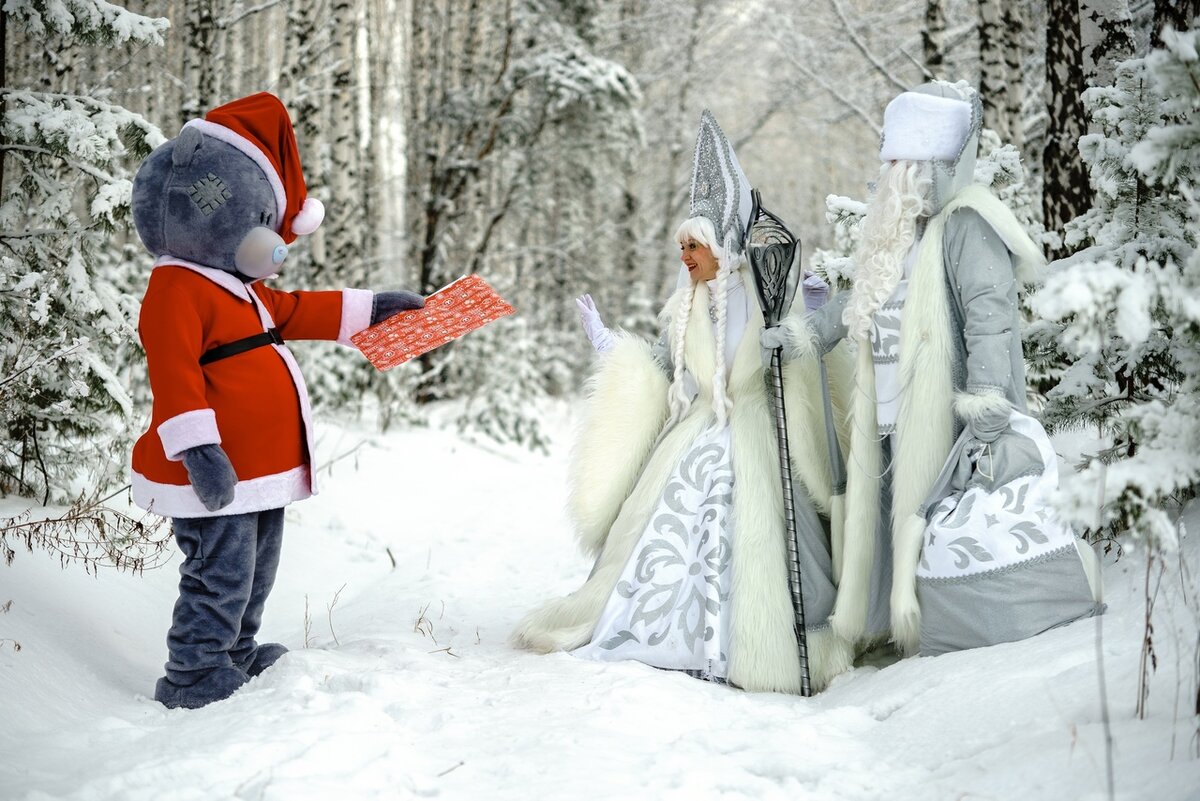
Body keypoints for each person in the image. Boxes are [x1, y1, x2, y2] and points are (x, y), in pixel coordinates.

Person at [511, 111, 857, 694]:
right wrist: (610, 344)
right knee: (656, 523)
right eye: (681, 245)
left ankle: (758, 643)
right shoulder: (688, 305)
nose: (685, 256)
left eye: (693, 245)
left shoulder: (767, 297)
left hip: (756, 435)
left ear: (721, 246)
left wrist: (815, 319)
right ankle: (653, 628)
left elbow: (797, 359)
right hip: (698, 430)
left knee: (763, 536)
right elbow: (669, 365)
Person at [766, 82, 1102, 657]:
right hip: (890, 408)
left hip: (946, 411)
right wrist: (805, 335)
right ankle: (896, 629)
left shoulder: (968, 223)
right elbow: (860, 303)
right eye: (889, 165)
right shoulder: (900, 236)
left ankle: (948, 625)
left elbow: (989, 313)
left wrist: (987, 395)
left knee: (935, 518)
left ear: (929, 167)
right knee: (891, 517)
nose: (888, 178)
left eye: (900, 165)